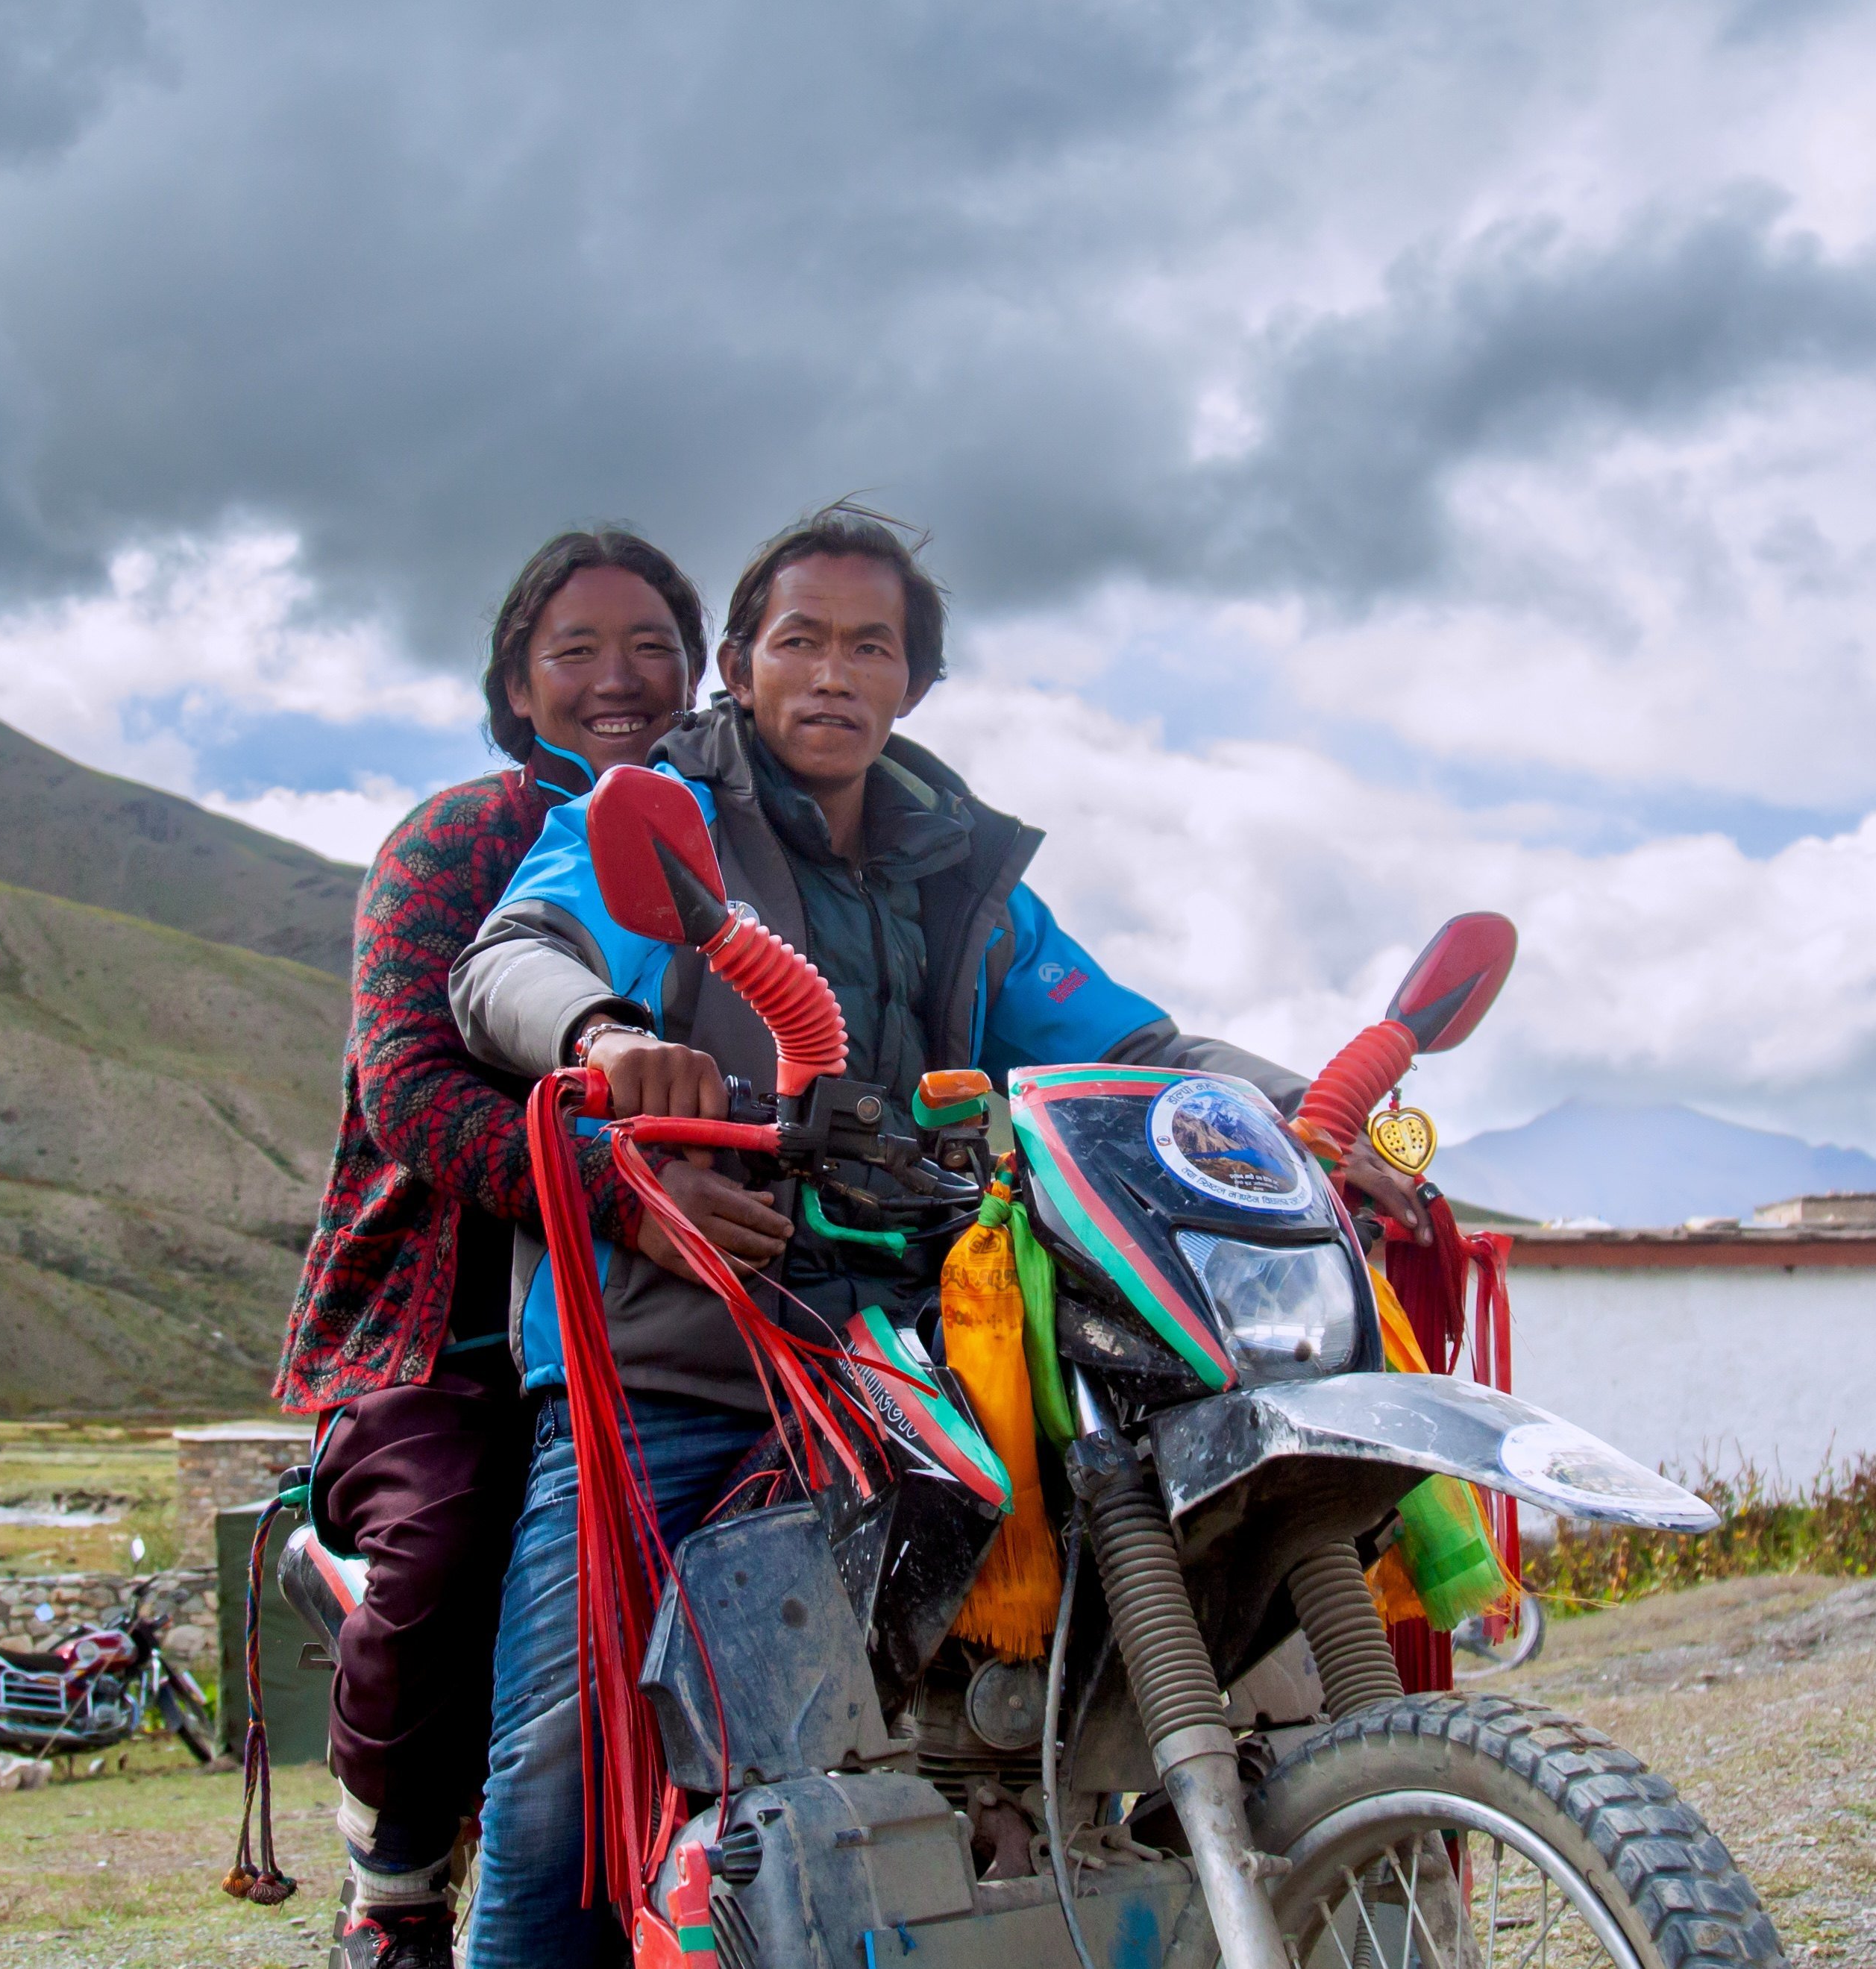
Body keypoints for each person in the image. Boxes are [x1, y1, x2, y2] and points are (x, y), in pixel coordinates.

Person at [448, 502, 1422, 1965]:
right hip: (695, 1342)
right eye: (798, 642)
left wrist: (1295, 1112)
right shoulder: (650, 816)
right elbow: (508, 962)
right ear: (738, 662)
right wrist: (602, 1032)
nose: (831, 674)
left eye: (869, 647)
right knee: (560, 1768)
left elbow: (1130, 1043)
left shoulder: (963, 870)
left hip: (917, 1346)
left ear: (916, 682)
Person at [272, 528, 727, 1969]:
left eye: (652, 644)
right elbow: (406, 1085)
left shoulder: (733, 839)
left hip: (671, 1308)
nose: (619, 678)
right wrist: (609, 1180)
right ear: (517, 683)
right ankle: (395, 1884)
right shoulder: (454, 840)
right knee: (456, 1530)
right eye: (575, 649)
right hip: (449, 1323)